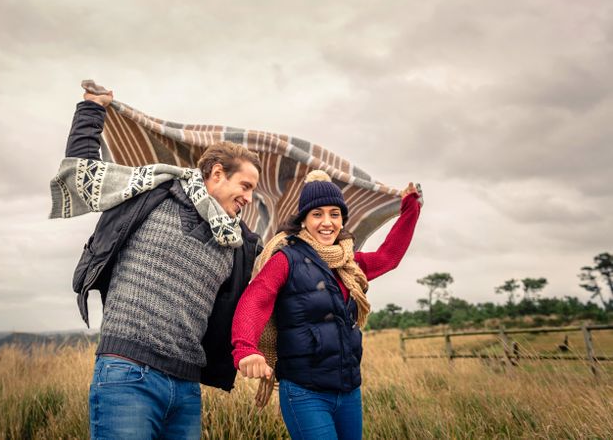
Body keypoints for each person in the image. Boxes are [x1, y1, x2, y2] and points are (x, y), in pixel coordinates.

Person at [62, 88, 263, 439]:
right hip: (127, 375)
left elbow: (282, 271)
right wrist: (91, 109)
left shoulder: (238, 242)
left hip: (186, 388)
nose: (248, 198)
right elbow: (84, 175)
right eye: (244, 186)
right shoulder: (152, 195)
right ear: (217, 174)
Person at [231, 170, 421, 440]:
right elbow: (255, 299)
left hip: (349, 391)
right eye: (317, 214)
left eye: (334, 214)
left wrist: (410, 209)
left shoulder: (349, 263)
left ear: (342, 219)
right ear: (304, 220)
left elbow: (388, 256)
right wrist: (245, 349)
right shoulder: (286, 259)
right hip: (305, 393)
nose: (327, 222)